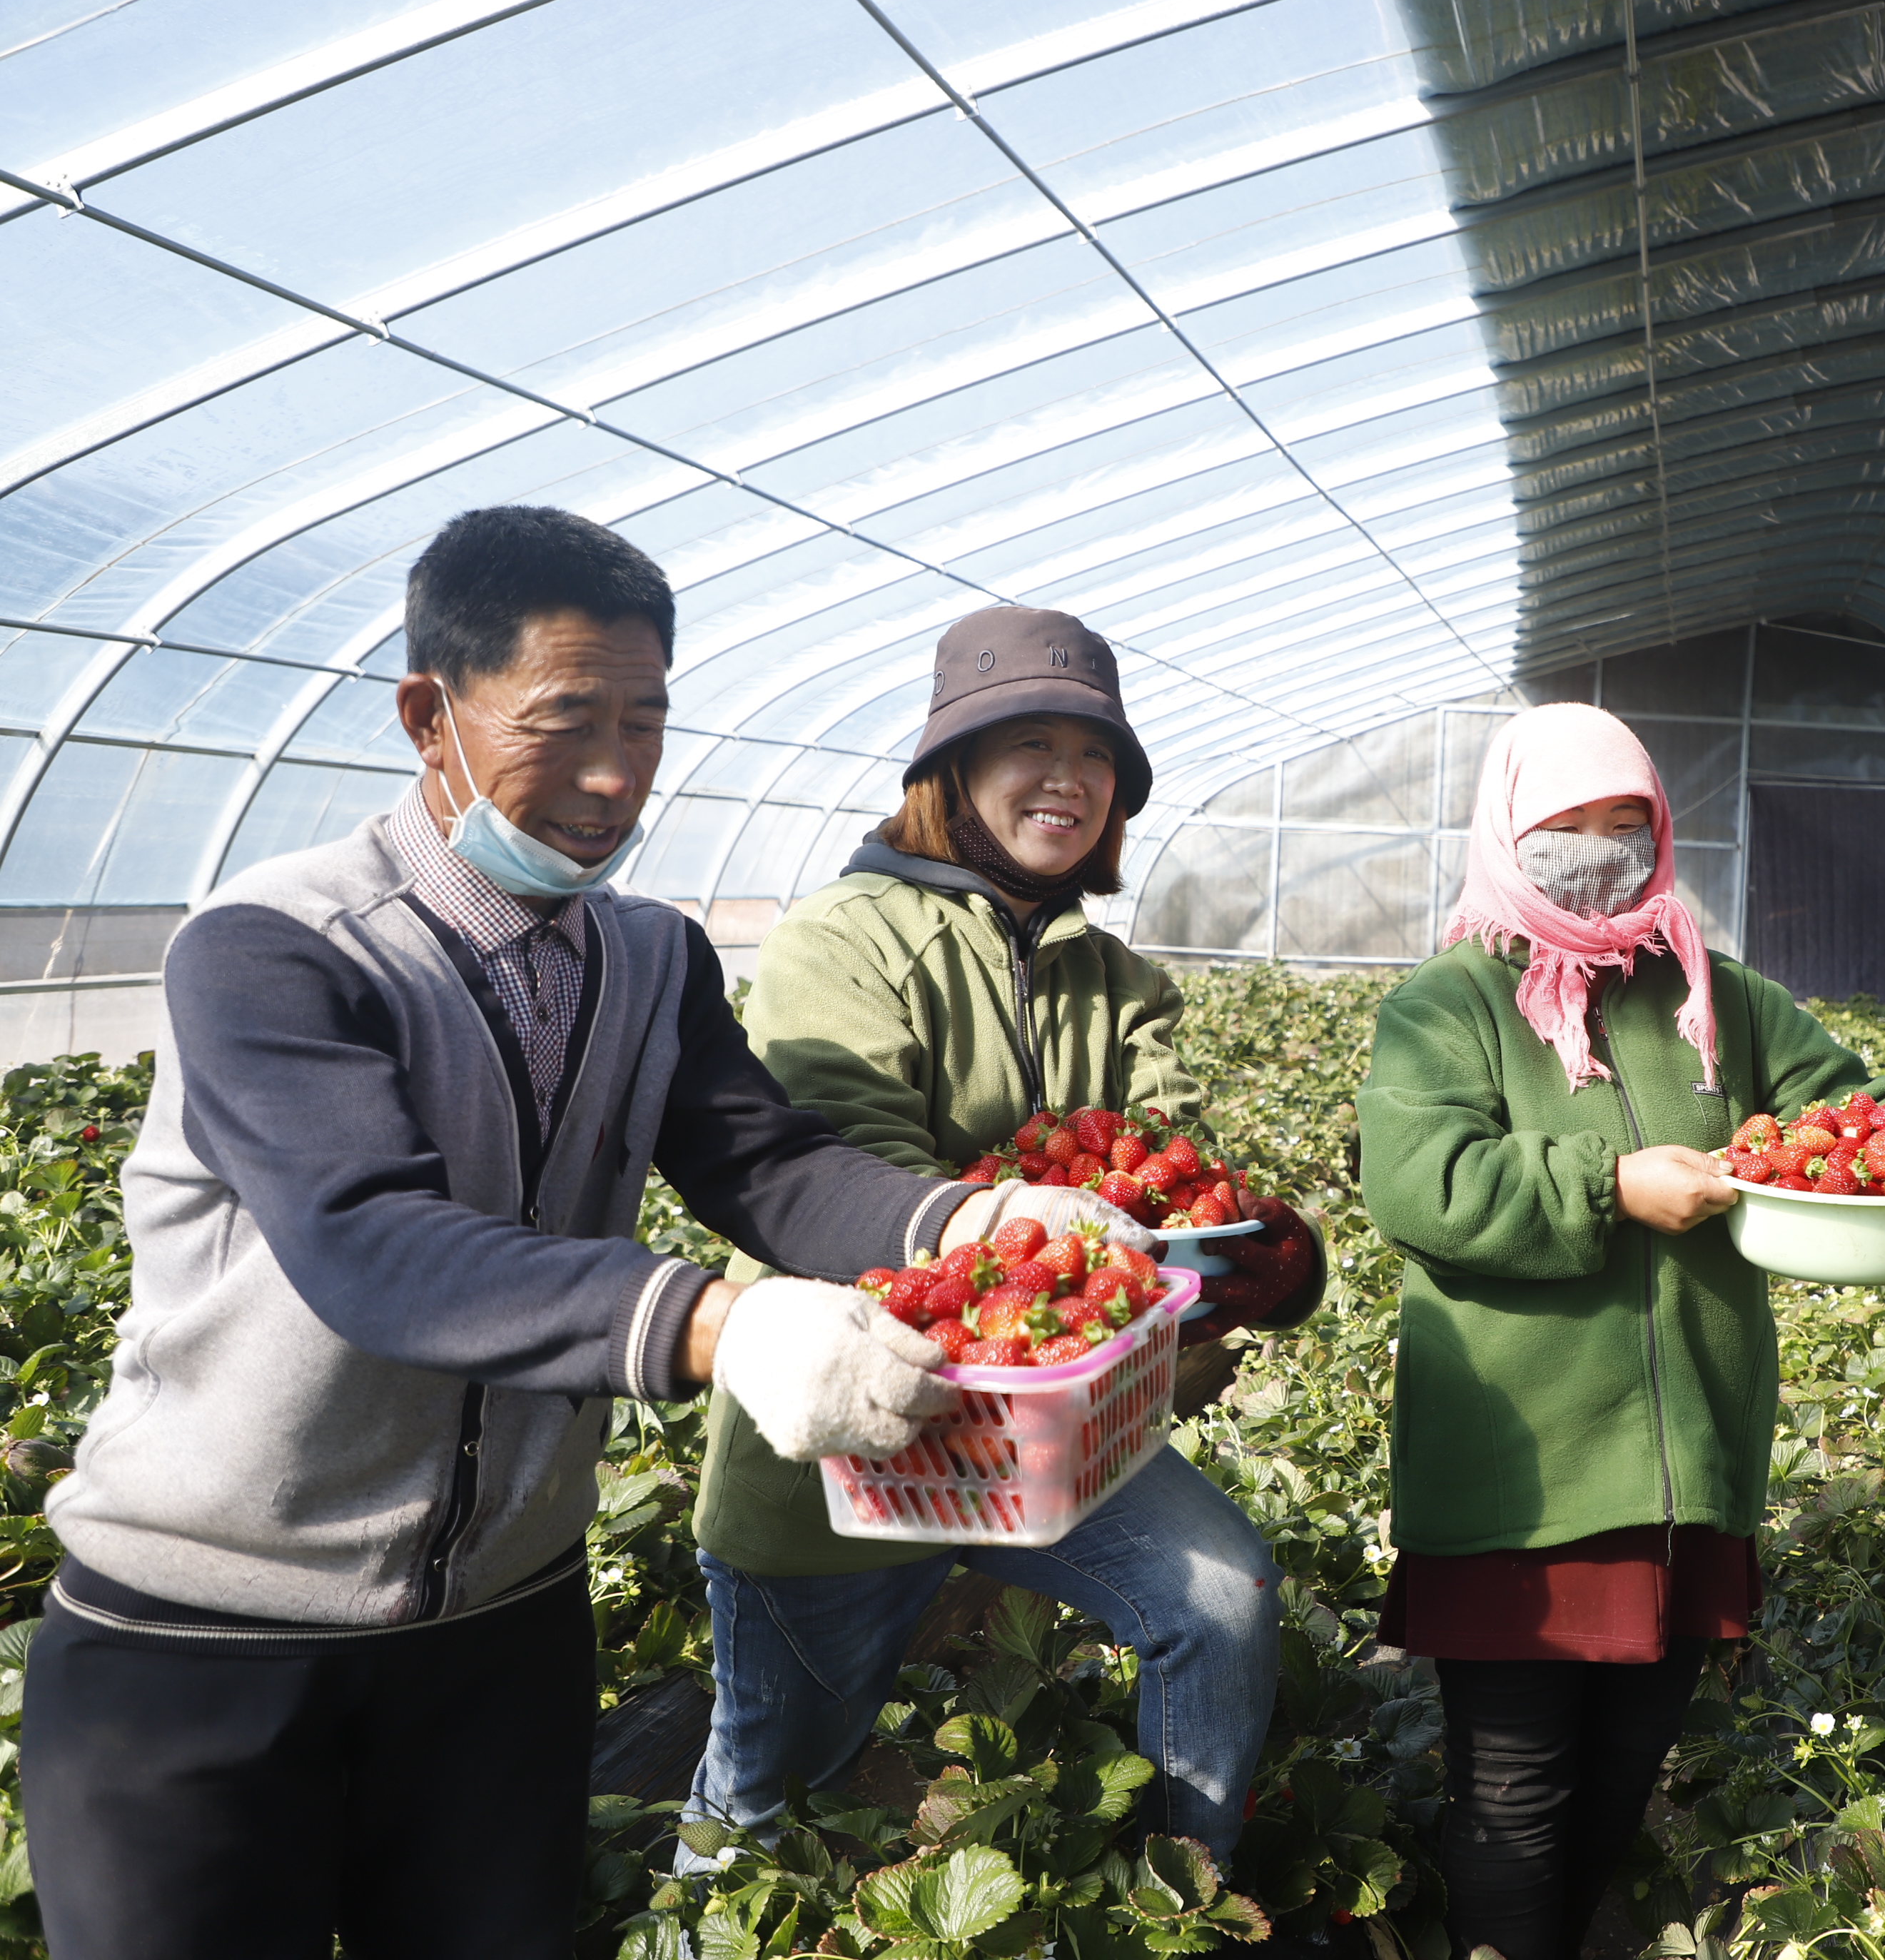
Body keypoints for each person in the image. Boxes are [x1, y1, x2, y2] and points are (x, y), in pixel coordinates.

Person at [17, 509, 1140, 1960]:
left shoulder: (649, 955)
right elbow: (372, 1245)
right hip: (206, 1641)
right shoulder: (277, 947)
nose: (615, 777)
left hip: (502, 1633)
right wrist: (725, 1323)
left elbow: (772, 1168)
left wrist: (972, 1220)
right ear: (431, 712)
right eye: (565, 723)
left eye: (646, 723)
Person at [1358, 703, 1885, 1960]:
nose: (1601, 850)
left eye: (1629, 823)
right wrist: (1609, 1190)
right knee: (1511, 1795)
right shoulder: (1448, 1005)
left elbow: (1868, 1106)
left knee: (1622, 1774)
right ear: (1509, 833)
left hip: (1690, 1473)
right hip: (1524, 1480)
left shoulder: (1716, 998)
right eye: (1566, 826)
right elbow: (1422, 1181)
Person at [683, 607, 1327, 1866]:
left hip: (1062, 1436)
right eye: (1029, 743)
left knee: (1224, 1601)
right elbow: (833, 1186)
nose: (1069, 780)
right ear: (952, 771)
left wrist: (1255, 1260)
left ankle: (1175, 1898)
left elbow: (1170, 1178)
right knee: (773, 1789)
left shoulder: (1119, 980)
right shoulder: (844, 939)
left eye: (1098, 759)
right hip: (858, 1445)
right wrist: (1034, 1229)